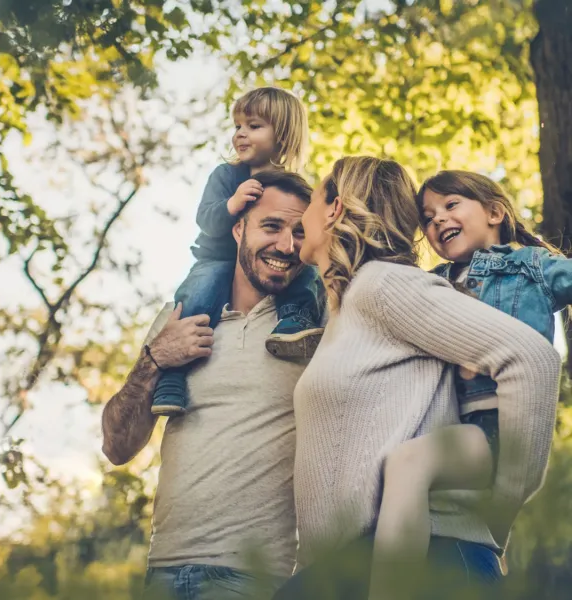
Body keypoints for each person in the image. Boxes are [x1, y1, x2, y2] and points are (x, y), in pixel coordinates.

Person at [274, 157, 561, 600]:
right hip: (351, 566)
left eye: (311, 200)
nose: (301, 220)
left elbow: (532, 358)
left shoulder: (385, 285)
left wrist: (504, 500)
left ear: (334, 210)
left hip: (437, 559)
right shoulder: (352, 304)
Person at [102, 171, 318, 600]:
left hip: (254, 578)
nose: (285, 246)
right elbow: (117, 445)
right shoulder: (179, 317)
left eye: (299, 232)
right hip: (162, 571)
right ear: (238, 228)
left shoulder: (314, 328)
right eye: (271, 226)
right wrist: (155, 359)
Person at [368, 170, 572, 599]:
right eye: (428, 217)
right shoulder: (433, 282)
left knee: (410, 462)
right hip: (451, 424)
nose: (438, 220)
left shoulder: (530, 266)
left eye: (451, 205)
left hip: (496, 426)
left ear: (495, 212)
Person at [151, 87, 324, 417]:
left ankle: (295, 321)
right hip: (218, 259)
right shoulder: (227, 176)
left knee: (309, 274)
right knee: (198, 295)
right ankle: (172, 378)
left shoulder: (296, 187)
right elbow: (205, 219)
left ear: (284, 134)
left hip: (272, 265)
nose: (240, 134)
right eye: (237, 126)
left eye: (254, 126)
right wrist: (232, 204)